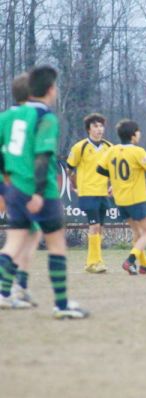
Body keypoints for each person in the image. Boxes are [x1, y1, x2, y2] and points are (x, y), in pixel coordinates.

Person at [0, 65, 89, 318]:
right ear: (50, 90)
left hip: (15, 188)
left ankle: (8, 291)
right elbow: (41, 159)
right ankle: (61, 306)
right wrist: (39, 192)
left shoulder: (11, 116)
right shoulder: (45, 117)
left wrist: (5, 180)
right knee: (56, 245)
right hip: (41, 191)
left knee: (13, 245)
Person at [97, 119, 146, 276]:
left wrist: (115, 180)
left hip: (120, 200)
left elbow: (100, 169)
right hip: (136, 199)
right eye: (138, 131)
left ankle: (143, 266)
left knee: (138, 234)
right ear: (133, 135)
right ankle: (130, 261)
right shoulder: (137, 151)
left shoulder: (112, 150)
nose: (140, 134)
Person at [0, 73, 42, 307]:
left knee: (32, 234)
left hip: (10, 184)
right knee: (16, 240)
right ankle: (5, 291)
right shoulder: (36, 117)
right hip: (25, 185)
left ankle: (20, 287)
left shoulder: (4, 118)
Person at [67, 113, 112, 273]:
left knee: (100, 228)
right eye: (95, 126)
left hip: (103, 194)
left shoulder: (109, 147)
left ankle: (94, 261)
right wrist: (75, 186)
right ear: (88, 129)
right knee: (94, 226)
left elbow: (112, 169)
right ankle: (94, 263)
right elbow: (69, 168)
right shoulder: (80, 147)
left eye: (101, 126)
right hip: (87, 193)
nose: (99, 129)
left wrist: (112, 185)